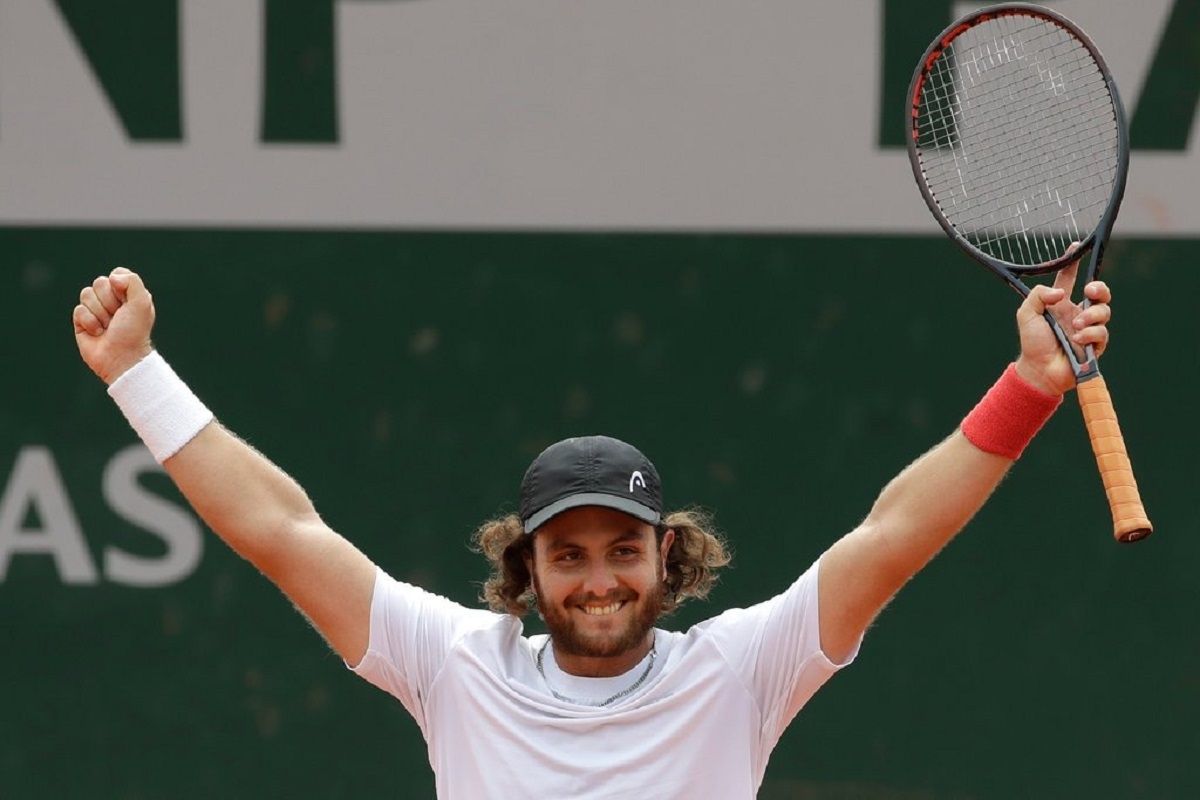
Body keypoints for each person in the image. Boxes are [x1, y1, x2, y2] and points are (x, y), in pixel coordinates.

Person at [71, 260, 1113, 798]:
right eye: (568, 555)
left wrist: (1028, 385)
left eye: (623, 549)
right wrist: (136, 374)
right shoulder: (456, 667)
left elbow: (892, 536)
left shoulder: (739, 672)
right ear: (526, 571)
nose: (600, 578)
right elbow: (280, 529)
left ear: (668, 556)